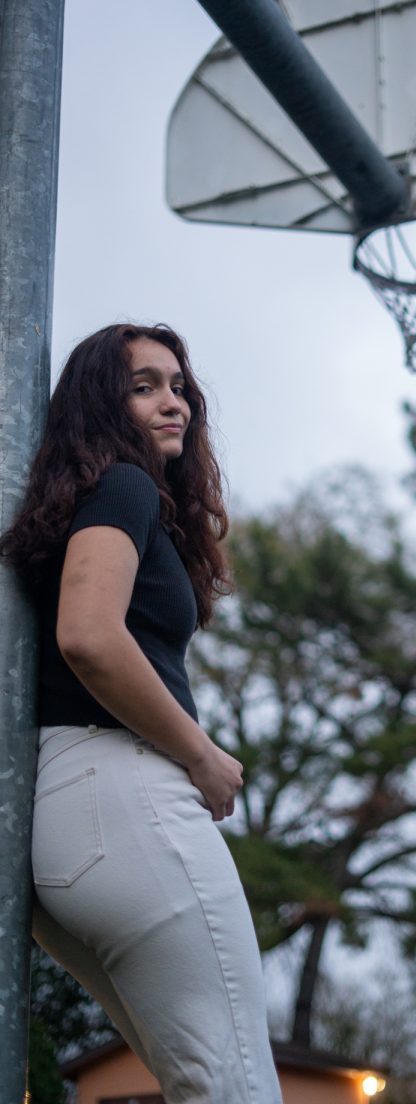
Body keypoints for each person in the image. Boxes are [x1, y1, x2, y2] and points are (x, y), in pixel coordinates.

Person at [1, 323, 283, 1104]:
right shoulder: (122, 487)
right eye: (145, 386)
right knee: (233, 1083)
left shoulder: (81, 502)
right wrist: (201, 755)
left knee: (198, 1083)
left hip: (61, 822)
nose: (175, 403)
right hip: (124, 799)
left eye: (179, 385)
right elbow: (89, 636)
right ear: (101, 403)